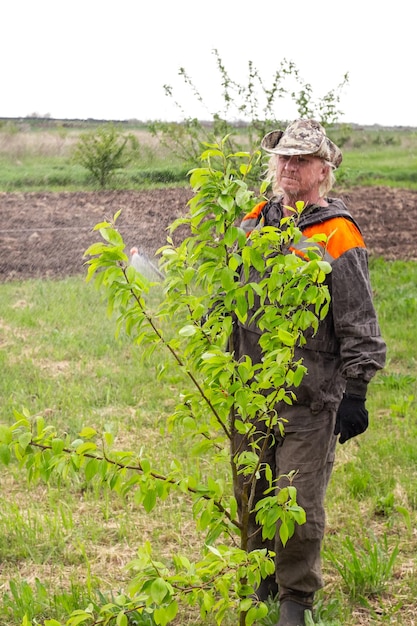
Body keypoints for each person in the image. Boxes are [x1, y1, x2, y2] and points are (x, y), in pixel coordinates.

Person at [233, 119, 387, 626]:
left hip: (310, 397)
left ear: (323, 170)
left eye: (300, 160)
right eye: (282, 159)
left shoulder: (337, 233)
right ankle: (259, 583)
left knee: (295, 500)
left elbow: (358, 316)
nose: (288, 168)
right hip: (251, 390)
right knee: (252, 491)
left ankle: (295, 601)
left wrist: (356, 390)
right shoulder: (255, 221)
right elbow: (230, 292)